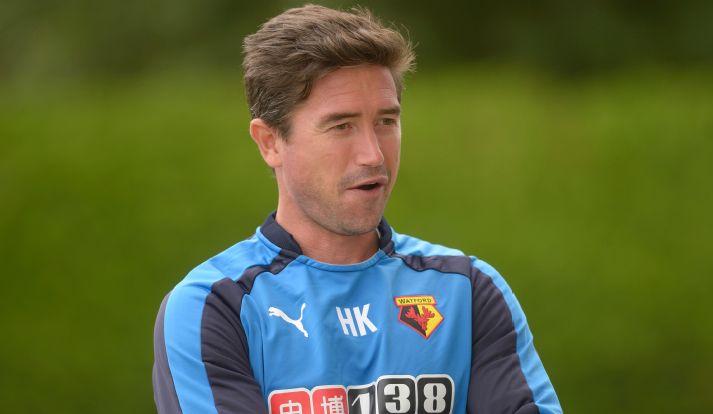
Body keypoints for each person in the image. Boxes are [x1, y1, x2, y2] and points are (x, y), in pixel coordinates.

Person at [153, 5, 562, 414]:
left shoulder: (467, 290)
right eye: (341, 126)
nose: (373, 155)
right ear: (270, 142)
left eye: (386, 121)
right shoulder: (214, 306)